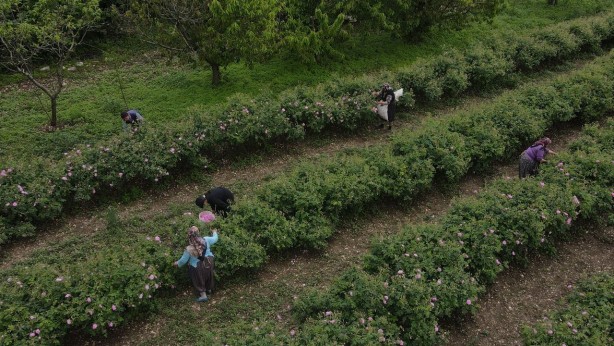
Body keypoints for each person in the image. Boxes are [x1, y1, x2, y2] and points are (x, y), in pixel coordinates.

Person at [174, 226, 219, 302]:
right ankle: (209, 289)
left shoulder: (189, 248)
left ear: (189, 236)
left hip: (198, 266)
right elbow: (215, 239)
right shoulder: (206, 240)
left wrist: (176, 264)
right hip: (209, 261)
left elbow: (183, 261)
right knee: (209, 275)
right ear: (198, 233)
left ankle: (203, 296)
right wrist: (214, 232)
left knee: (199, 279)